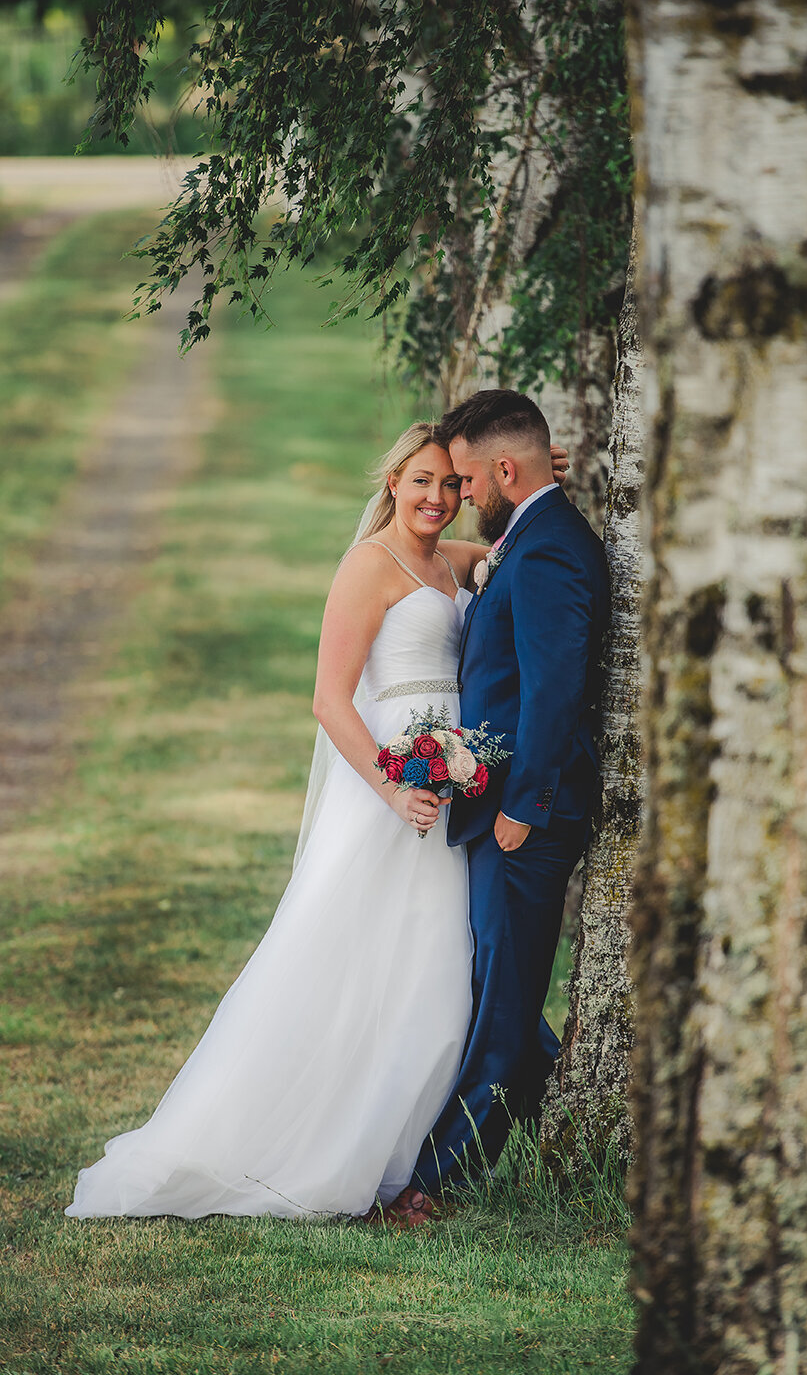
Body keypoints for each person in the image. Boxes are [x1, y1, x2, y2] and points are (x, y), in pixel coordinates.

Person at [65, 420, 568, 1222]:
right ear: (391, 486)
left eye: (450, 484)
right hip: (390, 791)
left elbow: (511, 552)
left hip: (449, 793)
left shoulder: (453, 562)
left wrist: (542, 479)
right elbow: (329, 700)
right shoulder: (367, 566)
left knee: (433, 969)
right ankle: (298, 1142)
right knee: (347, 956)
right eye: (421, 483)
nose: (438, 498)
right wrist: (393, 789)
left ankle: (394, 1147)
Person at [408, 390, 611, 1205]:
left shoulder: (550, 549)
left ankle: (433, 1184)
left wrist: (523, 806)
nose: (458, 498)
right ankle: (555, 1114)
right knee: (498, 983)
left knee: (501, 999)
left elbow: (556, 690)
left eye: (465, 481)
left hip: (526, 813)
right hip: (494, 806)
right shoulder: (528, 534)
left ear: (500, 470)